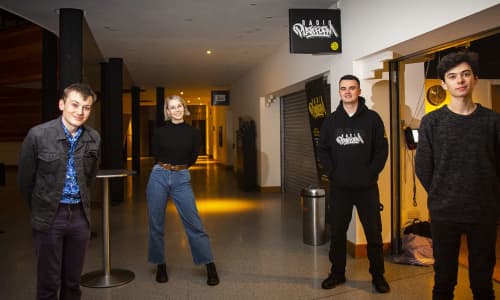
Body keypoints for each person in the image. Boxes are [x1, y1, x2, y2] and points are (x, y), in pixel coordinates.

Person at [416, 50, 500, 300]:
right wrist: (442, 193)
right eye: (453, 76)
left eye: (465, 74)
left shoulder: (493, 121)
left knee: (483, 283)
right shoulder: (432, 122)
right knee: (443, 281)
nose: (460, 81)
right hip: (445, 212)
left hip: (483, 211)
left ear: (475, 78)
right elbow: (423, 167)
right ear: (444, 83)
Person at [18, 83, 101, 300]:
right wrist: (42, 207)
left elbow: (90, 177)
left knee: (73, 282)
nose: (80, 112)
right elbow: (25, 181)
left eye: (86, 107)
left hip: (80, 217)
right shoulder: (38, 135)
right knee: (48, 282)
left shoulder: (94, 138)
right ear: (61, 104)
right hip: (49, 216)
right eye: (74, 105)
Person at [318, 74, 390, 293]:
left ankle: (378, 276)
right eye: (343, 88)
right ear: (339, 92)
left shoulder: (373, 119)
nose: (347, 91)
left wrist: (370, 173)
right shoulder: (331, 121)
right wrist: (333, 173)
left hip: (367, 188)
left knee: (374, 234)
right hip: (340, 188)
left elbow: (382, 150)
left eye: (352, 88)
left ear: (359, 91)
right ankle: (337, 273)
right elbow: (323, 150)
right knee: (338, 233)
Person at [146, 95, 219, 286]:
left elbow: (193, 157)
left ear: (184, 109)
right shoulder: (159, 132)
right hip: (159, 175)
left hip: (181, 177)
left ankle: (209, 264)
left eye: (180, 106)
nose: (177, 110)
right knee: (156, 223)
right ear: (167, 111)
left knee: (194, 223)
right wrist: (166, 168)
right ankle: (160, 264)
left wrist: (179, 169)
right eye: (172, 107)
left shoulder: (193, 133)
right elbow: (155, 153)